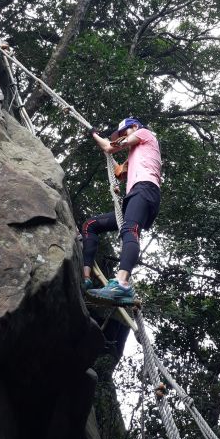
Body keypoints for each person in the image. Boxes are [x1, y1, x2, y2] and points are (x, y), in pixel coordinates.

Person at [83, 117, 161, 305]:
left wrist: (94, 134)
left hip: (145, 189)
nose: (123, 136)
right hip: (137, 194)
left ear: (134, 127)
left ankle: (122, 284)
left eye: (124, 132)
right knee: (90, 225)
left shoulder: (144, 133)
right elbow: (120, 171)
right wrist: (118, 172)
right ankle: (85, 278)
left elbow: (110, 147)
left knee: (129, 230)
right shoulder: (137, 153)